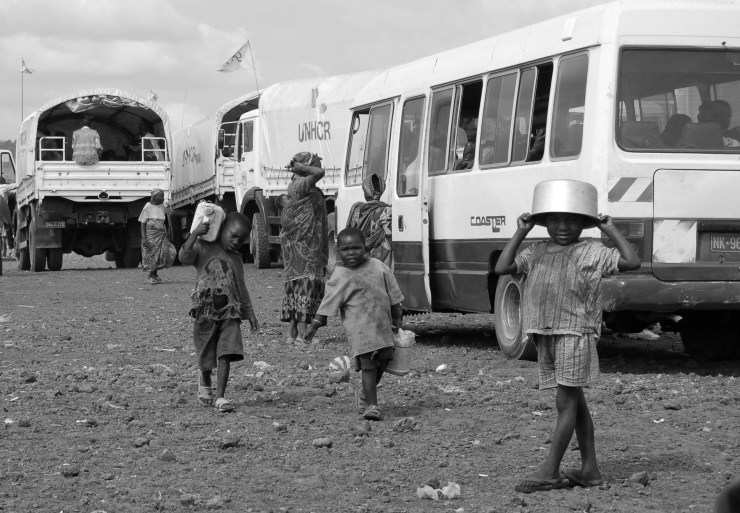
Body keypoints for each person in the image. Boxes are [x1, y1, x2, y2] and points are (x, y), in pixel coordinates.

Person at [494, 188, 641, 493]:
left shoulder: (592, 252)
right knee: (577, 403)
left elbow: (632, 262)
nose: (563, 227)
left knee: (565, 402)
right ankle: (590, 470)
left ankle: (550, 470)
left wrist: (609, 228)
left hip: (575, 334)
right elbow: (502, 268)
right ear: (543, 222)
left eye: (572, 221)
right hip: (546, 333)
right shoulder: (535, 251)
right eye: (555, 220)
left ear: (584, 224)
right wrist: (521, 232)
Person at [304, 227, 403, 421]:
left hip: (382, 328)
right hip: (361, 333)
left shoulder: (378, 267)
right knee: (369, 367)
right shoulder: (340, 275)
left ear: (365, 247)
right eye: (346, 249)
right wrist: (314, 326)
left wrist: (397, 318)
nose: (351, 253)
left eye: (356, 248)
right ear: (338, 250)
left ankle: (365, 392)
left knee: (382, 363)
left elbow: (393, 295)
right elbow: (328, 303)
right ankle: (372, 406)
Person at [178, 212, 260, 412]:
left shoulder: (236, 258)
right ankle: (204, 379)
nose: (236, 242)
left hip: (230, 313)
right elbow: (184, 257)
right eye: (233, 235)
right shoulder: (203, 247)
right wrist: (195, 234)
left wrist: (249, 313)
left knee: (226, 352)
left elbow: (241, 286)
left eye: (241, 240)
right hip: (205, 312)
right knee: (206, 354)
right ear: (221, 228)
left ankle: (220, 396)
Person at [279, 152, 329, 344]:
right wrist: (303, 168)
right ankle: (303, 335)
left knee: (296, 288)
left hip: (297, 247)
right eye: (313, 163)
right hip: (305, 247)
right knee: (305, 288)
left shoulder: (298, 186)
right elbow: (320, 172)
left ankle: (292, 335)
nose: (317, 165)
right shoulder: (301, 184)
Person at [346, 173, 393, 267]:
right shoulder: (386, 210)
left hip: (358, 257)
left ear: (365, 191)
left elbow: (349, 231)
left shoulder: (356, 208)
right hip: (378, 259)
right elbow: (389, 235)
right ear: (382, 189)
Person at [139, 188, 175, 284]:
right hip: (151, 234)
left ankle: (155, 274)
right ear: (154, 197)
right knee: (152, 254)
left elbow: (165, 220)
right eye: (161, 196)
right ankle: (150, 275)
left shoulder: (162, 206)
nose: (163, 198)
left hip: (161, 234)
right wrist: (144, 238)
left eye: (163, 196)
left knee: (160, 253)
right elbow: (142, 223)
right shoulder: (147, 207)